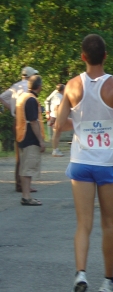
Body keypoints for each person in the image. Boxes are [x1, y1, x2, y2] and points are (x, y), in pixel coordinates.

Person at [55, 34, 113, 292]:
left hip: (80, 163)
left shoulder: (72, 86)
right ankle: (109, 281)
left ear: (83, 57)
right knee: (109, 223)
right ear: (106, 56)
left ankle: (80, 274)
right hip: (108, 163)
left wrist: (78, 125)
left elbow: (59, 123)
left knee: (83, 224)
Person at [0, 66, 39, 192]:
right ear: (30, 76)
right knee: (29, 152)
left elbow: (1, 97)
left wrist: (12, 107)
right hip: (27, 121)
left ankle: (19, 183)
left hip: (16, 120)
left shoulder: (15, 87)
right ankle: (25, 185)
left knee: (19, 153)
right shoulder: (28, 87)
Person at [15, 75, 45, 205]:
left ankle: (25, 195)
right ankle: (26, 197)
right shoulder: (32, 100)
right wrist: (41, 140)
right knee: (28, 168)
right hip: (30, 137)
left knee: (24, 167)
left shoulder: (22, 96)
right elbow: (33, 121)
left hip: (21, 136)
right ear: (39, 86)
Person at [45, 84, 65, 156]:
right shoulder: (58, 97)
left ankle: (56, 149)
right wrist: (58, 118)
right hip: (56, 117)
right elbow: (56, 108)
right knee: (56, 134)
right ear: (62, 90)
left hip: (55, 116)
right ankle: (55, 150)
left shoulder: (57, 96)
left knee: (57, 134)